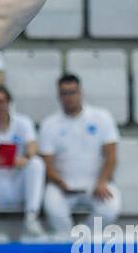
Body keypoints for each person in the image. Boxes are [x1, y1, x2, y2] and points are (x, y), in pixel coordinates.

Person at [38, 75, 121, 233]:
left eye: (72, 92)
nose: (69, 97)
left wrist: (102, 181)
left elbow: (111, 156)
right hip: (62, 184)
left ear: (81, 93)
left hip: (96, 183)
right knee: (53, 208)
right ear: (58, 96)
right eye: (64, 93)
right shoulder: (49, 124)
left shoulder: (102, 117)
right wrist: (60, 182)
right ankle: (67, 242)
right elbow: (47, 164)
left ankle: (85, 241)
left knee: (110, 208)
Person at [0, 86, 47, 240]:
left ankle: (32, 216)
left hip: (17, 183)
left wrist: (25, 157)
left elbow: (32, 144)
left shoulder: (23, 122)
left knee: (36, 163)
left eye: (1, 102)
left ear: (9, 103)